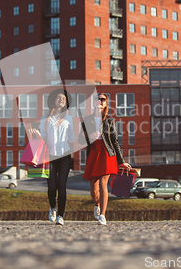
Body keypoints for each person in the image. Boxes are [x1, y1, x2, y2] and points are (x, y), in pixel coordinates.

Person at [79, 93, 132, 225]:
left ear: (106, 103)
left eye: (103, 99)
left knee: (103, 184)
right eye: (98, 99)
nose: (100, 101)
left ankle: (102, 215)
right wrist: (90, 136)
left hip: (107, 153)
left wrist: (121, 161)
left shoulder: (110, 121)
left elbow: (115, 141)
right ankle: (97, 204)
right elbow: (81, 140)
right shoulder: (87, 119)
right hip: (94, 152)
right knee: (93, 190)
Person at [28, 89, 77, 226]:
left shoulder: (68, 119)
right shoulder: (45, 118)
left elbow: (71, 137)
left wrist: (80, 139)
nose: (61, 100)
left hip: (65, 156)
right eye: (58, 98)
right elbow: (43, 136)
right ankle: (53, 207)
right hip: (49, 156)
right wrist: (37, 134)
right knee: (51, 187)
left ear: (66, 103)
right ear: (54, 101)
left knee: (62, 186)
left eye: (63, 98)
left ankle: (60, 216)